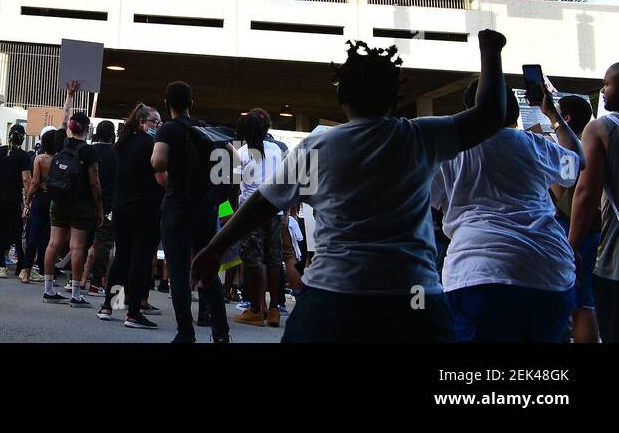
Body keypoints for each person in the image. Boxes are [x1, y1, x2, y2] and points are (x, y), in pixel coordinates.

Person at [192, 31, 508, 343]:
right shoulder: (421, 138)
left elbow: (264, 201)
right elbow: (491, 115)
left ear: (342, 96)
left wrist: (214, 248)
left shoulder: (316, 147)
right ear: (395, 97)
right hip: (413, 296)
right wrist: (490, 51)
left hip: (333, 297)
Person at [433, 76, 582, 342]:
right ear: (513, 109)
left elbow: (424, 201)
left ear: (472, 111)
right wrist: (553, 115)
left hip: (476, 274)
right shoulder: (535, 145)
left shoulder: (451, 152)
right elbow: (576, 161)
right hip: (549, 272)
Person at [99, 103, 163, 329]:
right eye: (155, 121)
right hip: (146, 209)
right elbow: (160, 178)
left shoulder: (121, 144)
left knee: (122, 257)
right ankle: (133, 313)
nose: (158, 125)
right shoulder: (152, 145)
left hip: (122, 207)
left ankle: (109, 305)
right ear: (142, 122)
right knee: (140, 260)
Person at [568, 62, 619, 342]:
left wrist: (571, 246)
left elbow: (587, 193)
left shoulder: (601, 128)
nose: (603, 89)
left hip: (615, 261)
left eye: (607, 83)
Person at [43, 97, 103, 308]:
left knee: (53, 243)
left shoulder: (61, 142)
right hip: (81, 203)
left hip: (58, 200)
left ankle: (48, 289)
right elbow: (94, 182)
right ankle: (76, 294)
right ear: (86, 128)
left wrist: (69, 97)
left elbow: (62, 120)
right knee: (77, 247)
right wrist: (100, 210)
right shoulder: (89, 151)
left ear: (70, 127)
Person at [552, 93, 601, 342]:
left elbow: (563, 193)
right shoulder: (589, 144)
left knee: (580, 301)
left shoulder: (574, 150)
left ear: (565, 118)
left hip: (575, 230)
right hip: (591, 230)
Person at [233, 108, 286, 328]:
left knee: (252, 261)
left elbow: (235, 184)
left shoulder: (241, 152)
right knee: (274, 259)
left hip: (249, 212)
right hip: (274, 210)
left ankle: (255, 309)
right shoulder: (279, 149)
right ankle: (274, 310)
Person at [0, 124, 31, 279]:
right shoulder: (23, 156)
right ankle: (21, 267)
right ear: (21, 137)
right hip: (14, 200)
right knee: (17, 233)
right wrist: (27, 200)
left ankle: (1, 267)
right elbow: (26, 179)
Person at [21, 127, 62, 284]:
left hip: (40, 198)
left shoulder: (39, 159)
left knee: (34, 235)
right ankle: (46, 273)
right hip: (55, 199)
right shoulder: (60, 159)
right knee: (49, 237)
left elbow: (35, 182)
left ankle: (27, 271)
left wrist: (27, 202)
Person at [84, 119, 118, 295]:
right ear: (113, 135)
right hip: (108, 206)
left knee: (82, 243)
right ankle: (96, 283)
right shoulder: (116, 154)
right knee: (104, 245)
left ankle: (74, 280)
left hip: (85, 203)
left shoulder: (88, 151)